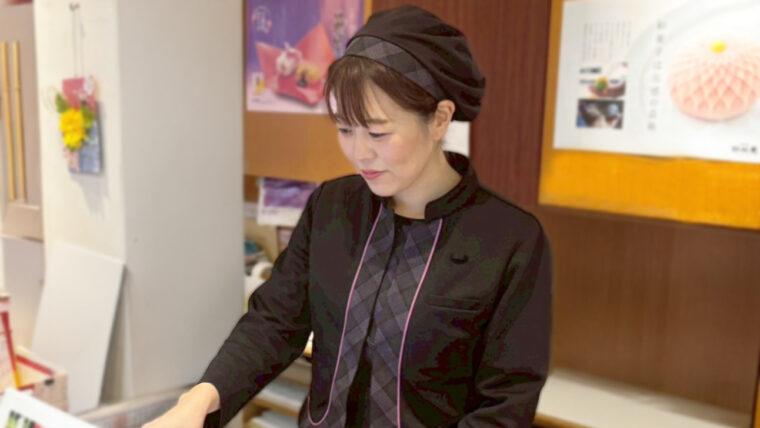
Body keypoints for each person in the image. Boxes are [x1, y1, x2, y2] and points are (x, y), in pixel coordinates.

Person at [144, 5, 552, 428]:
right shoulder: (333, 207)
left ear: (440, 119)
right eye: (344, 129)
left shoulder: (510, 240)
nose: (359, 153)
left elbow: (505, 404)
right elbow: (274, 322)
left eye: (377, 132)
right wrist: (199, 400)